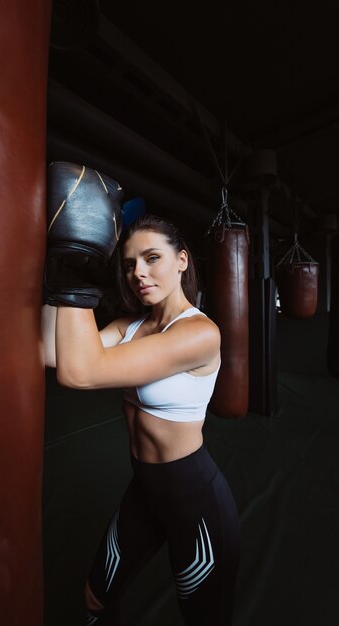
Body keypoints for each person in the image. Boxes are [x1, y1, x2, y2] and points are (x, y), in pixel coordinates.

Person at [42, 213, 240, 626]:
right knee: (96, 597)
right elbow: (53, 353)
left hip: (196, 502)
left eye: (152, 258)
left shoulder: (200, 334)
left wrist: (78, 285)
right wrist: (58, 276)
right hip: (145, 492)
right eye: (129, 264)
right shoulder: (130, 325)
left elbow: (82, 373)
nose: (139, 273)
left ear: (182, 260)